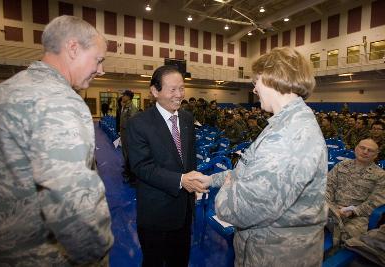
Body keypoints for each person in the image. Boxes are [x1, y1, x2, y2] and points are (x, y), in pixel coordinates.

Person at [0, 16, 113, 266]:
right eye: (98, 60)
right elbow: (71, 199)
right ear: (73, 49)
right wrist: (96, 255)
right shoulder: (60, 102)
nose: (101, 70)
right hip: (44, 256)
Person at [200, 47, 328, 266]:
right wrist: (211, 180)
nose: (255, 89)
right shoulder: (284, 124)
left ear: (272, 78)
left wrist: (226, 193)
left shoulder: (289, 134)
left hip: (276, 255)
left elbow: (242, 210)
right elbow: (248, 172)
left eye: (256, 81)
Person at [126, 65, 209, 267]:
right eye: (172, 89)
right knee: (154, 262)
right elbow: (141, 167)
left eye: (181, 88)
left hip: (184, 212)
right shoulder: (139, 123)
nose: (179, 95)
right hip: (156, 212)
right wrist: (181, 180)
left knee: (179, 261)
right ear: (155, 91)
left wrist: (194, 182)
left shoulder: (188, 119)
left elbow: (188, 160)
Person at [326, 138, 385, 246]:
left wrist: (353, 211)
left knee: (345, 238)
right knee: (308, 225)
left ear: (376, 155)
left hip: (358, 216)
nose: (365, 152)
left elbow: (376, 201)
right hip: (332, 208)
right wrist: (330, 205)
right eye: (362, 148)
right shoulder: (342, 165)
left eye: (370, 150)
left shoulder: (380, 175)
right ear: (356, 149)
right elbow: (328, 186)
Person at [119, 90, 138, 184]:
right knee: (125, 151)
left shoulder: (132, 108)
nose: (122, 97)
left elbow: (132, 122)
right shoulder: (124, 106)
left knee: (128, 153)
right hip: (123, 132)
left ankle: (130, 174)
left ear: (129, 97)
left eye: (124, 95)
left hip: (128, 133)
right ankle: (127, 169)